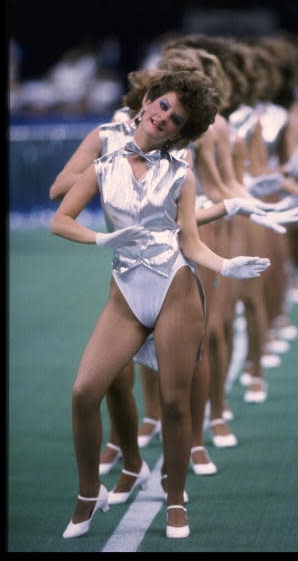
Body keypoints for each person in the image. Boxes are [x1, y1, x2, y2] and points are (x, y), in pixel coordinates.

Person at [51, 70, 271, 539]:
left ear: (183, 132)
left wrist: (227, 265)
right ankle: (89, 494)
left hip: (176, 289)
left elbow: (190, 242)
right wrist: (102, 237)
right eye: (164, 105)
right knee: (84, 391)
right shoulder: (104, 163)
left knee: (174, 404)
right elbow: (60, 218)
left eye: (176, 119)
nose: (164, 118)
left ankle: (175, 501)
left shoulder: (182, 173)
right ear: (149, 99)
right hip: (125, 293)